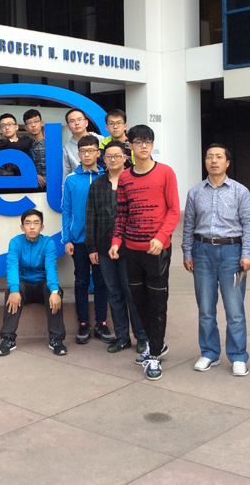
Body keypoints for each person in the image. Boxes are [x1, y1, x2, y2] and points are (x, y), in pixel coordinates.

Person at [109, 125, 180, 381]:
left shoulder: (165, 172)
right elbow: (122, 213)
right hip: (132, 250)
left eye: (147, 141)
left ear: (152, 144)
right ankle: (155, 343)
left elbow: (174, 210)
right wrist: (116, 241)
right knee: (139, 302)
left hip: (157, 252)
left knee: (157, 303)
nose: (143, 146)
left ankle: (154, 355)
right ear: (130, 145)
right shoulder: (125, 178)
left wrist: (161, 237)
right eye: (138, 141)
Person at [182, 143, 250, 377]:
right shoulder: (195, 192)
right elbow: (189, 225)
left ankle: (238, 356)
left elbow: (249, 224)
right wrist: (187, 252)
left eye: (218, 157)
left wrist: (247, 254)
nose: (213, 161)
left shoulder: (240, 191)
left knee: (234, 309)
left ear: (227, 162)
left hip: (232, 253)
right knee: (205, 308)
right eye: (209, 157)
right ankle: (209, 353)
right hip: (202, 251)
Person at [86, 141, 148, 354]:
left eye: (117, 156)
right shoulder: (97, 184)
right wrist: (92, 247)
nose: (113, 160)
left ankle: (141, 336)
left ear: (125, 157)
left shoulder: (133, 181)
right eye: (109, 156)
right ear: (103, 159)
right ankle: (122, 337)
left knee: (133, 293)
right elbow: (90, 216)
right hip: (104, 248)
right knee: (114, 293)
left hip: (130, 247)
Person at [62, 135, 112, 345]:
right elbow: (66, 210)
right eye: (83, 151)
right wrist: (67, 239)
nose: (87, 154)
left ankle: (101, 323)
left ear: (98, 153)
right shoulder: (71, 179)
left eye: (91, 150)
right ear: (78, 154)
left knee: (101, 282)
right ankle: (83, 323)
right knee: (81, 281)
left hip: (102, 240)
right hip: (79, 240)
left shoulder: (107, 177)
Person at [0, 209, 67, 356]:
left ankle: (56, 339)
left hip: (42, 285)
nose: (32, 227)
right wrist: (14, 290)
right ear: (22, 227)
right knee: (11, 293)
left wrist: (55, 291)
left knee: (54, 292)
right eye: (28, 223)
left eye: (36, 223)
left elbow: (51, 268)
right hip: (25, 286)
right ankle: (8, 338)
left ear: (42, 227)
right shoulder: (16, 242)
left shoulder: (48, 243)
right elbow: (12, 267)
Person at [63, 108, 103, 180]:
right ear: (68, 127)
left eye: (79, 120)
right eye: (72, 121)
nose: (76, 123)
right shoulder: (67, 148)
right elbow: (66, 172)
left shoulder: (101, 140)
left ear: (86, 122)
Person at [23, 109, 47, 190]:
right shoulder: (25, 146)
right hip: (33, 187)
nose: (33, 125)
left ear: (42, 123)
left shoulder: (52, 144)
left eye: (36, 121)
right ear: (25, 127)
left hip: (53, 185)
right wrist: (34, 175)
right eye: (29, 123)